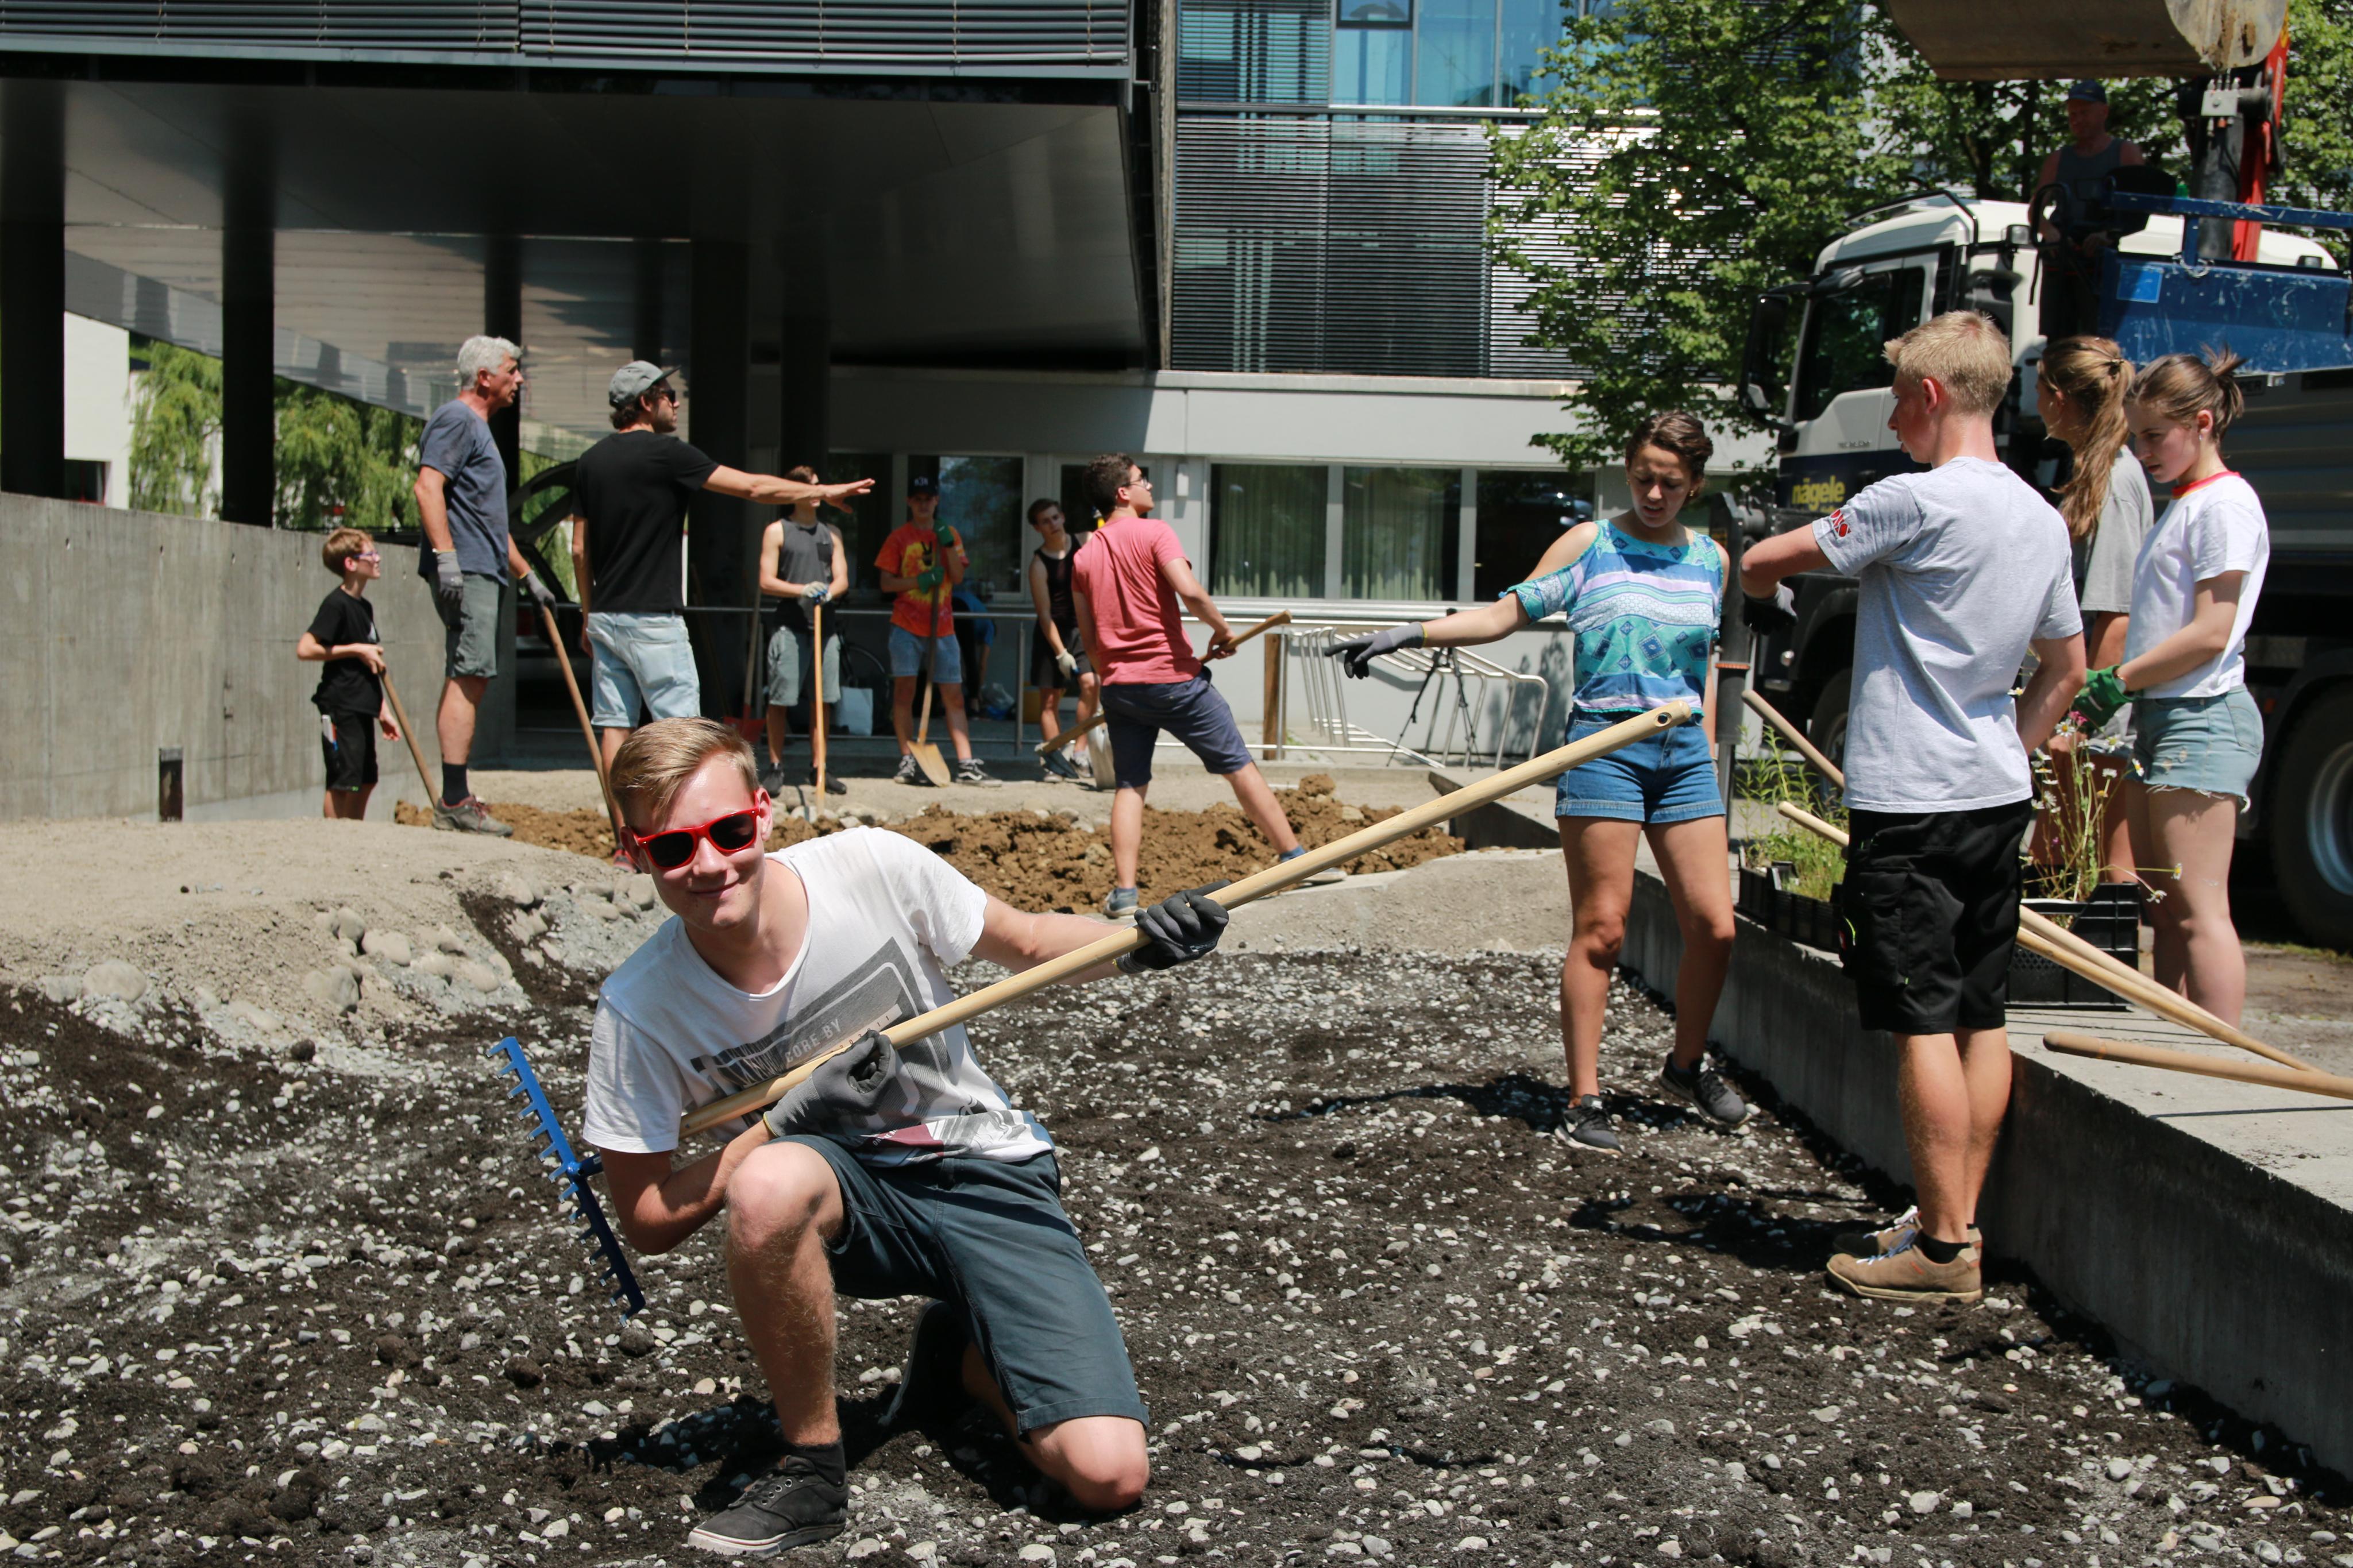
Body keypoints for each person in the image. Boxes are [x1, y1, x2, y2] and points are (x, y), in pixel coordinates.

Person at [581, 718, 1232, 1556]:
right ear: (635, 853)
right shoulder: (641, 1007)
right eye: (672, 848)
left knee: (1109, 1476)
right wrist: (780, 1124)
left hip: (984, 1167)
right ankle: (813, 1468)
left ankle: (960, 1360)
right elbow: (645, 1219)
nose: (708, 864)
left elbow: (1029, 941)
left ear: (763, 813)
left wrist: (1141, 942)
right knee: (769, 1181)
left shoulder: (870, 867)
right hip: (844, 1206)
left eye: (729, 831)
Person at [1741, 311, 2086, 1305]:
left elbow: (1766, 561)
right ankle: (1954, 1221)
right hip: (1994, 798)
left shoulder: (1911, 501)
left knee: (1921, 1020)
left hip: (1910, 805)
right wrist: (2008, 747)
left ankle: (1939, 1254)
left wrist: (1761, 585)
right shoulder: (2039, 518)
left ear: (1932, 395)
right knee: (1981, 1013)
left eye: (1898, 402)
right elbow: (2066, 668)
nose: (1893, 423)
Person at [1329, 415, 1752, 1150]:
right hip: (1606, 748)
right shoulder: (1592, 544)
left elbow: (1706, 662)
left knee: (1715, 928)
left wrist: (1708, 742)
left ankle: (1685, 1066)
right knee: (1603, 929)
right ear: (1628, 470)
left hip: (1682, 754)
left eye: (1670, 483)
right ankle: (1583, 1100)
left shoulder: (1710, 559)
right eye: (1642, 478)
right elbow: (1504, 616)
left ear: (1695, 485)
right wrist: (1409, 635)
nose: (1653, 494)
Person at [2071, 349, 2268, 1025]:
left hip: (2202, 718)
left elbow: (2212, 631)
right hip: (2163, 715)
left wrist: (2119, 679)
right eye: (2137, 437)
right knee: (2164, 907)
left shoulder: (2225, 506)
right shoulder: (2185, 504)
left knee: (2199, 909)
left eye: (2155, 436)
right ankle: (2176, 1043)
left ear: (2203, 423)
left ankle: (2218, 1056)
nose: (2144, 451)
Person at [569, 362, 872, 775]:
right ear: (645, 403)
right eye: (668, 395)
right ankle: (681, 816)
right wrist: (824, 491)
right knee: (682, 731)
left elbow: (579, 550)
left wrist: (588, 615)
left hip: (606, 616)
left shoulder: (590, 461)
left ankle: (623, 820)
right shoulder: (668, 454)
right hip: (654, 617)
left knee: (615, 726)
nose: (677, 403)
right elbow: (753, 487)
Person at [1070, 453, 1322, 920]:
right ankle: (1295, 859)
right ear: (1123, 493)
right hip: (1175, 682)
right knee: (1239, 766)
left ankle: (1125, 893)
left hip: (1122, 688)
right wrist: (1222, 631)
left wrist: (1117, 679)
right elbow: (1189, 592)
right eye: (1141, 480)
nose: (1149, 486)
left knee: (1129, 785)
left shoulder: (1083, 557)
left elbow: (1089, 639)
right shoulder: (1155, 533)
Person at [413, 334, 554, 837]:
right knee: (469, 673)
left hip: (482, 565)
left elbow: (491, 523)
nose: (520, 379)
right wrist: (447, 559)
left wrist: (528, 575)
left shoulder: (477, 429)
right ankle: (454, 801)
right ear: (484, 377)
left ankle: (457, 798)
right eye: (512, 370)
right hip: (467, 568)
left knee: (474, 674)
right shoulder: (456, 420)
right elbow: (427, 487)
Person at [2036, 336, 2153, 880]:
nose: (2036, 403)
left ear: (2059, 398)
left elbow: (2118, 615)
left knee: (2074, 851)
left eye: (2039, 389)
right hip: (2080, 704)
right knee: (2083, 850)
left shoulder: (2116, 482)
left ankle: (2085, 938)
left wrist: (2081, 722)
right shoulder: (2095, 471)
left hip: (2094, 710)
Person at [877, 474, 992, 786]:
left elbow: (957, 576)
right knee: (905, 692)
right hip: (906, 625)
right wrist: (920, 581)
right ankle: (907, 759)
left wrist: (948, 545)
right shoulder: (899, 538)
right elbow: (886, 584)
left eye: (928, 499)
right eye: (917, 499)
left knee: (954, 695)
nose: (923, 504)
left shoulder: (949, 534)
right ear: (909, 502)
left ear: (937, 501)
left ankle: (966, 764)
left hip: (942, 627)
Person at [757, 467, 853, 797]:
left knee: (822, 701)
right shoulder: (777, 531)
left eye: (818, 485)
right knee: (780, 699)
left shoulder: (832, 533)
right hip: (790, 627)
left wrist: (829, 592)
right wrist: (801, 589)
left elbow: (842, 578)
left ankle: (819, 767)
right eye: (810, 486)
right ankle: (776, 767)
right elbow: (766, 580)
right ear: (792, 492)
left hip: (825, 628)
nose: (817, 492)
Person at [295, 526, 402, 822]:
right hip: (340, 705)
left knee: (366, 779)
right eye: (371, 554)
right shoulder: (336, 604)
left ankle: (356, 833)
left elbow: (368, 665)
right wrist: (356, 649)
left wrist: (383, 711)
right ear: (350, 563)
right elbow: (305, 649)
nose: (378, 559)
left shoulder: (364, 607)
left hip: (363, 704)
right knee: (345, 779)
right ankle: (336, 836)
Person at [2034, 82, 2147, 339]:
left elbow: (2139, 211)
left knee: (2097, 339)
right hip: (2062, 261)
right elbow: (2036, 210)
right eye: (2072, 114)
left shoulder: (2125, 153)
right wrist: (2049, 231)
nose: (2077, 120)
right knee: (2058, 340)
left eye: (2084, 112)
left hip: (2100, 264)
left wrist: (2108, 235)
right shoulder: (2058, 159)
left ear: (2104, 112)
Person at [1027, 497, 1100, 781]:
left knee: (1091, 684)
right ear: (1037, 528)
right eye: (1046, 521)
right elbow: (1045, 615)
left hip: (1082, 629)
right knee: (1050, 700)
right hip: (1052, 635)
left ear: (1063, 517)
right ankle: (1056, 761)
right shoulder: (1038, 564)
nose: (1053, 524)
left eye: (1055, 517)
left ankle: (1079, 754)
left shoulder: (1086, 541)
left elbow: (1111, 539)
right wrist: (1060, 653)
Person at [951, 581, 997, 718]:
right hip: (963, 609)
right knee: (970, 658)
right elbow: (982, 664)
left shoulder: (979, 613)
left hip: (947, 603)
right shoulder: (990, 626)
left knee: (949, 655)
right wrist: (978, 691)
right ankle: (974, 704)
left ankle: (942, 703)